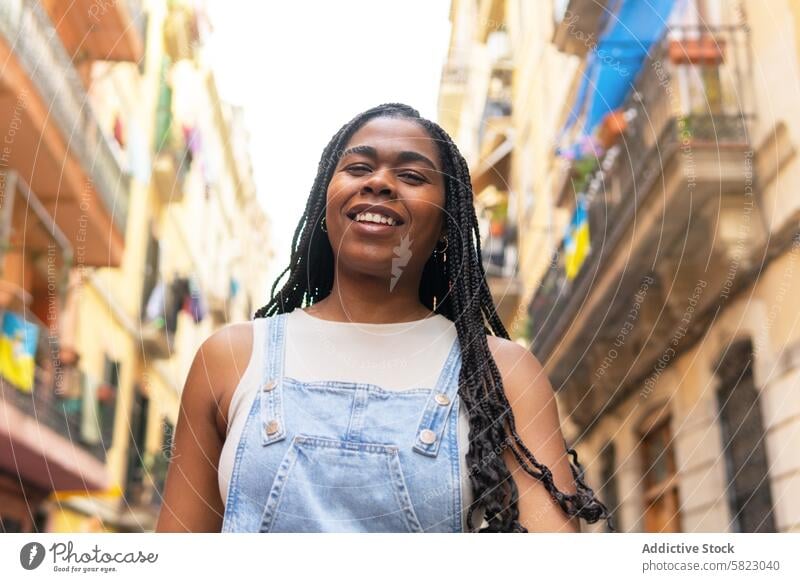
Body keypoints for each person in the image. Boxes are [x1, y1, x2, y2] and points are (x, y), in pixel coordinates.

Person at [155, 103, 613, 533]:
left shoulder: (505, 375)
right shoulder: (229, 358)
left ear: (447, 220)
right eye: (357, 168)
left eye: (412, 175)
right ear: (322, 202)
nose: (379, 182)